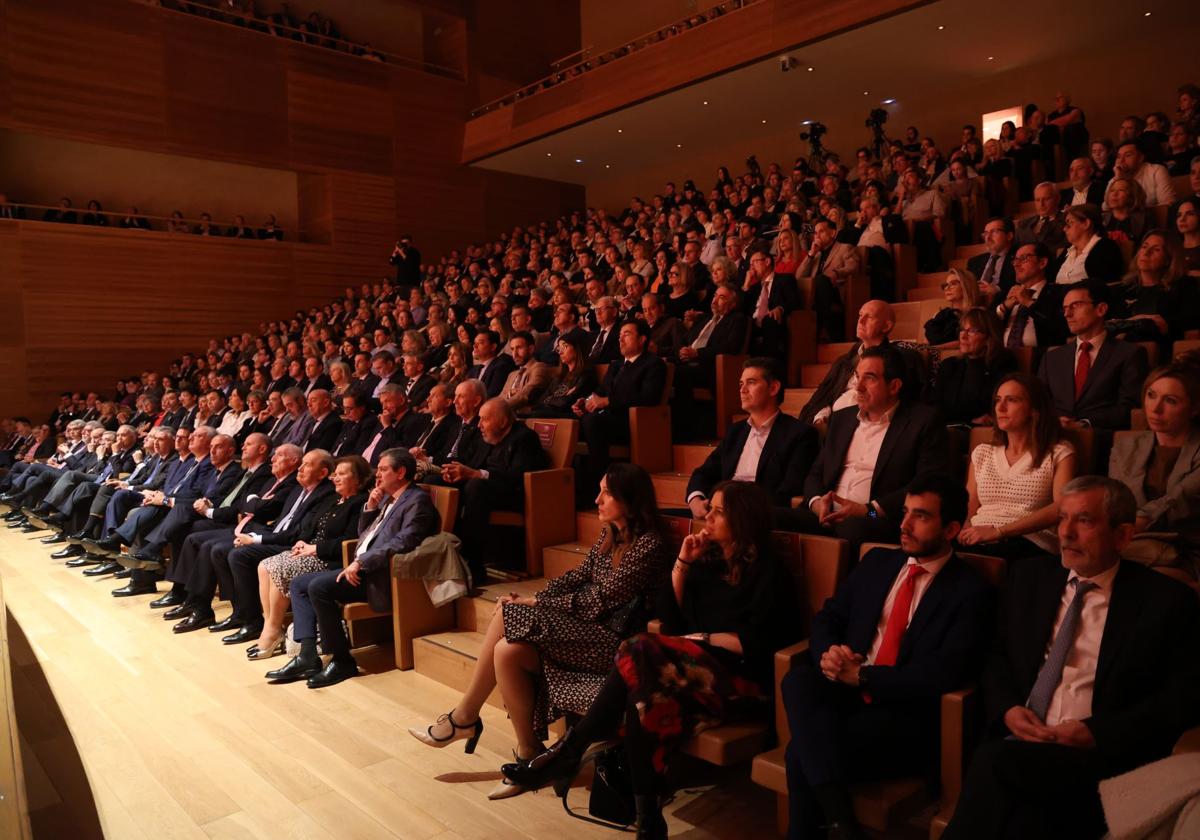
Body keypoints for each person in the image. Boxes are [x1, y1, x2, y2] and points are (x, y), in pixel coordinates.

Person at [506, 481, 803, 839]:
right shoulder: (708, 562)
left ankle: (572, 748)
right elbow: (672, 620)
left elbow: (763, 643)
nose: (707, 516)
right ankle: (648, 819)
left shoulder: (769, 572)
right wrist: (682, 563)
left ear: (742, 519)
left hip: (740, 682)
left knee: (638, 649)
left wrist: (704, 639)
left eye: (718, 511)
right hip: (687, 671)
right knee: (641, 693)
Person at [942, 477, 1200, 840]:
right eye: (1062, 518)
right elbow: (996, 656)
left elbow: (1182, 699)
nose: (1065, 533)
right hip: (1023, 741)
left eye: (1085, 521)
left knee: (994, 766)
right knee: (1022, 818)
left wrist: (1095, 733)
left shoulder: (1166, 602)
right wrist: (1009, 709)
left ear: (1123, 535)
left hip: (1099, 759)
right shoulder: (1028, 577)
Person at [408, 463, 671, 800]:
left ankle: (464, 717)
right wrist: (539, 597)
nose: (597, 498)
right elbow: (576, 578)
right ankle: (529, 752)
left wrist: (536, 604)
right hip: (588, 631)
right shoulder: (611, 535)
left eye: (606, 492)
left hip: (618, 643)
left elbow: (601, 600)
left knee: (506, 611)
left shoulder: (649, 545)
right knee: (507, 651)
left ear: (630, 499)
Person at [782, 475, 994, 840]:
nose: (904, 524)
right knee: (798, 679)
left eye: (921, 516)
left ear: (951, 529)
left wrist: (863, 677)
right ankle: (842, 825)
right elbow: (829, 618)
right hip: (846, 696)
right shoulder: (878, 561)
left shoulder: (970, 590)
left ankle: (835, 825)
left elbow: (943, 673)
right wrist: (829, 653)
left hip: (904, 716)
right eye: (905, 512)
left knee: (801, 754)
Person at [268, 449, 440, 689]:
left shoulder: (416, 500)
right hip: (359, 568)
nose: (376, 475)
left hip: (380, 575)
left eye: (382, 469)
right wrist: (370, 508)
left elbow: (404, 542)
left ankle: (342, 660)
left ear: (400, 472)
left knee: (318, 587)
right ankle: (307, 654)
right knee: (299, 584)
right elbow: (364, 535)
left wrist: (362, 561)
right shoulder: (390, 498)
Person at [784, 345, 949, 549]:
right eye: (857, 376)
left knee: (852, 527)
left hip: (875, 517)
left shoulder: (923, 421)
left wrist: (867, 510)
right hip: (826, 514)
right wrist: (817, 504)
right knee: (771, 517)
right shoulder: (841, 418)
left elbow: (927, 483)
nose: (858, 387)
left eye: (869, 378)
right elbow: (816, 473)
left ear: (894, 386)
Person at [245, 456, 371, 659]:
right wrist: (303, 542)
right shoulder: (333, 499)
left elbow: (351, 541)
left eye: (342, 474)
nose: (335, 478)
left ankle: (272, 630)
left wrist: (315, 548)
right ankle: (271, 626)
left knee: (279, 568)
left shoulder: (360, 503)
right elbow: (309, 527)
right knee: (264, 565)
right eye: (335, 474)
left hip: (332, 560)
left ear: (358, 479)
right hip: (311, 552)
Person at [958, 375, 1076, 560]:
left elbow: (1061, 508)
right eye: (998, 400)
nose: (1000, 407)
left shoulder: (1058, 453)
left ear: (1033, 409)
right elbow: (968, 507)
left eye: (1011, 400)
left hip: (1029, 541)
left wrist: (999, 532)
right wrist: (964, 531)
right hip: (979, 538)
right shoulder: (982, 452)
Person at [685, 357, 818, 519]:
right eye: (741, 384)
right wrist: (695, 499)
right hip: (717, 512)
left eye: (751, 382)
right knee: (660, 518)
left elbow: (788, 490)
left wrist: (733, 506)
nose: (742, 390)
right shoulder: (735, 431)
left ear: (773, 388)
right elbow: (704, 472)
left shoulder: (800, 434)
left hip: (755, 516)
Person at [437, 398, 547, 582]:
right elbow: (473, 466)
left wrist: (475, 474)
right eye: (479, 419)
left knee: (475, 486)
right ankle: (445, 554)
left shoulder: (525, 438)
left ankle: (474, 563)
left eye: (484, 420)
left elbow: (518, 477)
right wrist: (456, 473)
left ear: (503, 422)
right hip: (484, 489)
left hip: (516, 494)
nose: (479, 424)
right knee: (438, 481)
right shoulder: (488, 436)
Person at [1108, 364, 1200, 581]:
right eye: (1151, 395)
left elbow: (1178, 500)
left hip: (1186, 548)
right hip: (1132, 541)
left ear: (1194, 408)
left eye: (1170, 401)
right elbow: (1116, 500)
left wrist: (1127, 527)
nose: (1155, 408)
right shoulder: (1125, 445)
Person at [1038, 280, 1146, 431]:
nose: (1067, 314)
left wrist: (1084, 424)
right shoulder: (1052, 358)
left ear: (1100, 309)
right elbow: (1040, 404)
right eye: (1065, 308)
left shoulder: (1129, 354)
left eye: (1075, 305)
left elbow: (1129, 408)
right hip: (1055, 438)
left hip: (1101, 440)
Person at [799, 300, 928, 427]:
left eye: (869, 317)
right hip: (832, 424)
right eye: (860, 315)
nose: (860, 321)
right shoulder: (844, 362)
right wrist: (821, 416)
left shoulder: (902, 360)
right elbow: (826, 396)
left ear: (886, 326)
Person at [576, 321, 667, 490]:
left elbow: (649, 397)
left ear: (642, 340)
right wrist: (586, 401)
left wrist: (608, 401)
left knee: (592, 422)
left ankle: (602, 482)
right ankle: (579, 482)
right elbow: (600, 391)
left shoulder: (653, 364)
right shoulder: (616, 364)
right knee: (571, 420)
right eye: (619, 336)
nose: (620, 340)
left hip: (630, 421)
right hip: (606, 417)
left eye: (626, 334)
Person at [930, 307, 1018, 425]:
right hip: (946, 429)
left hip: (978, 433)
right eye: (962, 330)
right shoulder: (949, 365)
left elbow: (992, 408)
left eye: (972, 331)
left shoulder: (1002, 364)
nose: (963, 336)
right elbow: (936, 407)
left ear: (989, 337)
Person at [1111, 230, 1195, 343]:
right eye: (1144, 247)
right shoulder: (1122, 289)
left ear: (1168, 260)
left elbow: (1190, 331)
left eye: (1156, 249)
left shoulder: (1184, 287)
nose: (1146, 252)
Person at [797, 218, 862, 342]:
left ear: (832, 233)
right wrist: (811, 254)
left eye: (821, 232)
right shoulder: (816, 254)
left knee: (821, 279)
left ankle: (823, 329)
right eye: (815, 233)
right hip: (815, 294)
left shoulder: (845, 248)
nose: (817, 236)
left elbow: (853, 267)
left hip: (836, 291)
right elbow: (798, 277)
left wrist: (837, 272)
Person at [995, 242, 1068, 348]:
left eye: (1024, 258)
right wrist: (1004, 307)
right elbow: (985, 326)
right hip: (1003, 358)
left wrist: (1028, 303)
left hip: (1043, 357)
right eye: (1015, 259)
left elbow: (1059, 326)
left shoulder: (1058, 292)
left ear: (1042, 263)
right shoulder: (1006, 294)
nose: (1016, 264)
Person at [526, 330, 595, 418]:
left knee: (536, 414)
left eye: (565, 347)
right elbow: (542, 399)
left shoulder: (586, 374)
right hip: (551, 410)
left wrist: (551, 400)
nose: (560, 352)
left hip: (569, 414)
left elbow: (567, 402)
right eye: (559, 349)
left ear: (577, 348)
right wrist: (556, 399)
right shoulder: (560, 375)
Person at [924, 268, 983, 344]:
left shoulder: (977, 315)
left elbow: (964, 343)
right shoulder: (942, 314)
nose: (947, 288)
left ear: (966, 286)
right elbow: (925, 343)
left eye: (953, 284)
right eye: (946, 285)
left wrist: (934, 349)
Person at [1110, 139, 1176, 207]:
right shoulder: (1115, 178)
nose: (1121, 160)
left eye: (1128, 155)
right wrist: (1119, 180)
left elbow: (1167, 204)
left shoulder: (1156, 171)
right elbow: (1106, 209)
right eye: (1118, 157)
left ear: (1140, 158)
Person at [968, 218, 1017, 302]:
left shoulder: (1019, 258)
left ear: (1009, 236)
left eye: (994, 232)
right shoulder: (974, 262)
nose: (988, 237)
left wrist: (997, 290)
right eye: (985, 233)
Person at [1014, 183, 1067, 254]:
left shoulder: (1067, 220)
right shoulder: (1023, 224)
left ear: (1057, 199)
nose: (1041, 204)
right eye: (1037, 200)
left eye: (1046, 199)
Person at [1101, 177, 1148, 246]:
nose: (1114, 194)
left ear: (1132, 196)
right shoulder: (1101, 218)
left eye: (1121, 190)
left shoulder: (1143, 219)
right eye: (1112, 190)